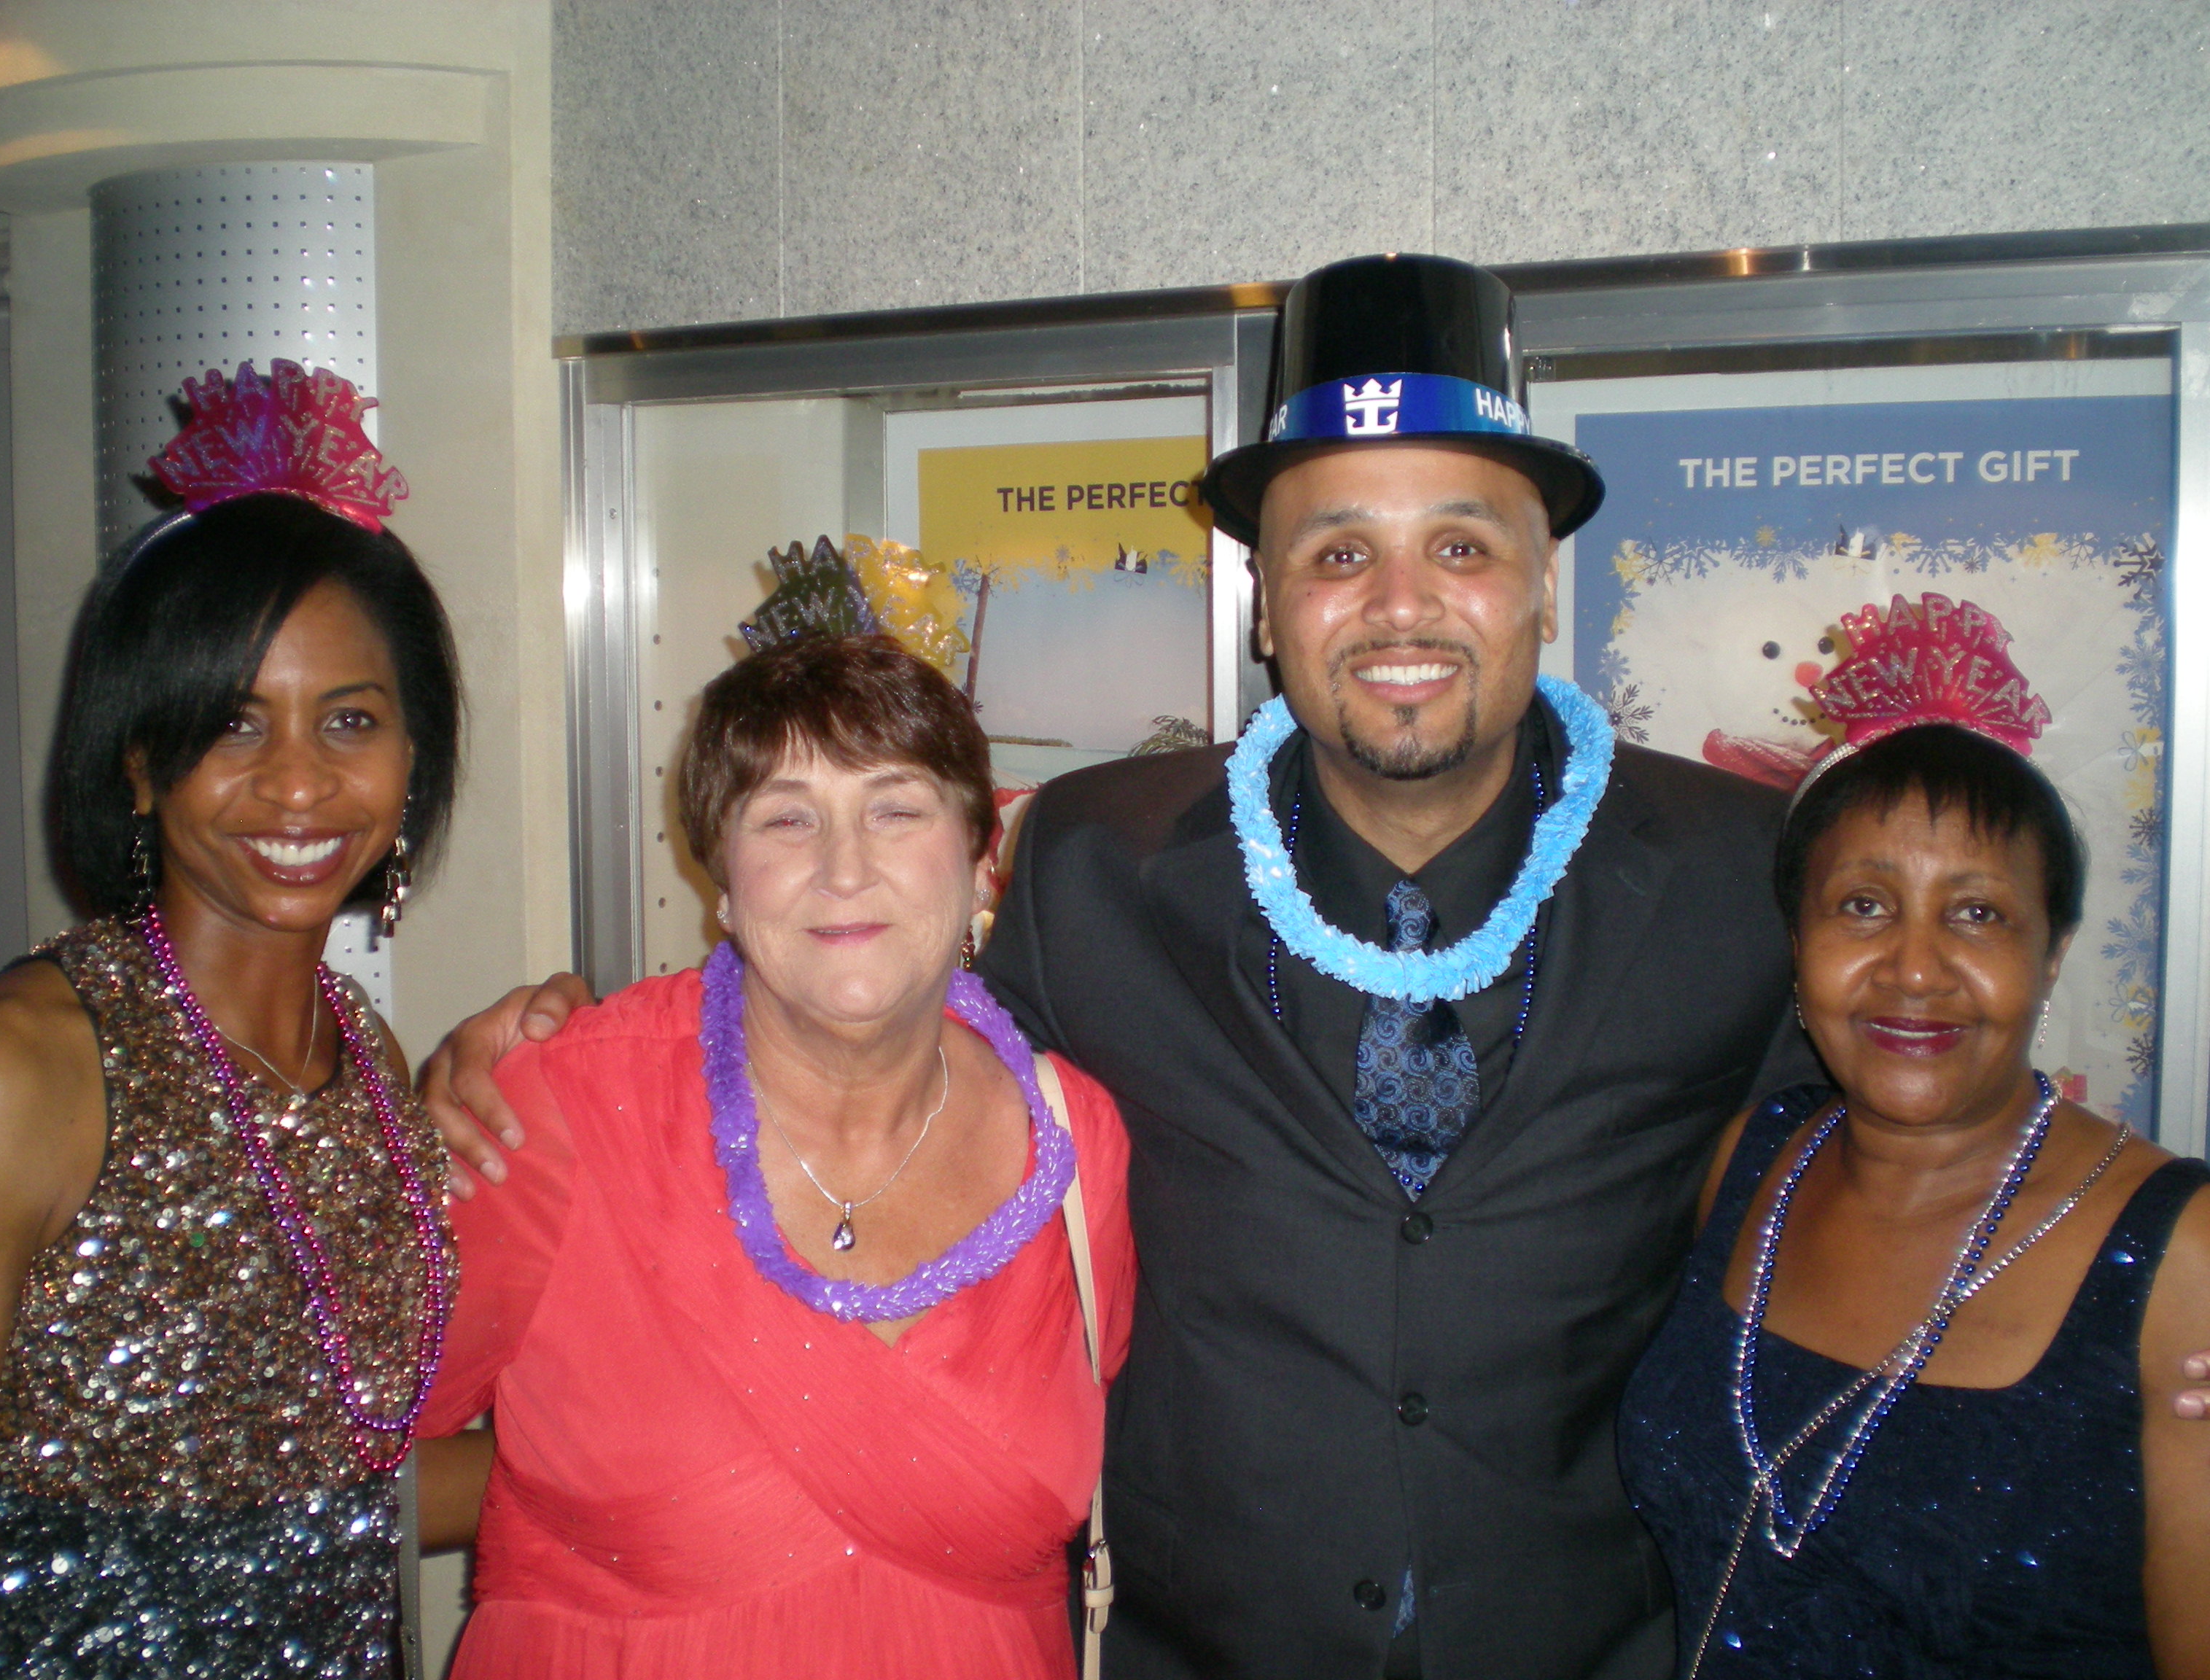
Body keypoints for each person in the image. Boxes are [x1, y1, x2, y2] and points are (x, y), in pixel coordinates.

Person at [421, 256, 2210, 1679]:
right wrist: (551, 1055)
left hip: (1585, 1646)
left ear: (1539, 587)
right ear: (1268, 608)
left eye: (1461, 547)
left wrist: (2141, 1299)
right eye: (1337, 553)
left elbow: (1900, 1130)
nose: (1401, 605)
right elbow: (867, 1011)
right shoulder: (1096, 864)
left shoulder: (1736, 874)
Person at [413, 634, 1132, 1679]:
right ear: (721, 878)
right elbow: (358, 1442)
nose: (845, 869)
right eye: (788, 819)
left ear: (982, 858)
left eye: (896, 810)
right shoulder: (558, 1110)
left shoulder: (1075, 1144)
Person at [0, 359, 462, 1678]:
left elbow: (334, 1488)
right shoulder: (20, 1072)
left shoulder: (368, 1059)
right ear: (139, 761)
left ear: (412, 759)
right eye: (234, 725)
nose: (298, 784)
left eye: (349, 720)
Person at [1619, 626, 2210, 1677]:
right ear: (1796, 941)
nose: (1916, 969)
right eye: (1863, 907)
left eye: (1978, 914)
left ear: (2052, 952)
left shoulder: (2180, 1258)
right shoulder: (1753, 1162)